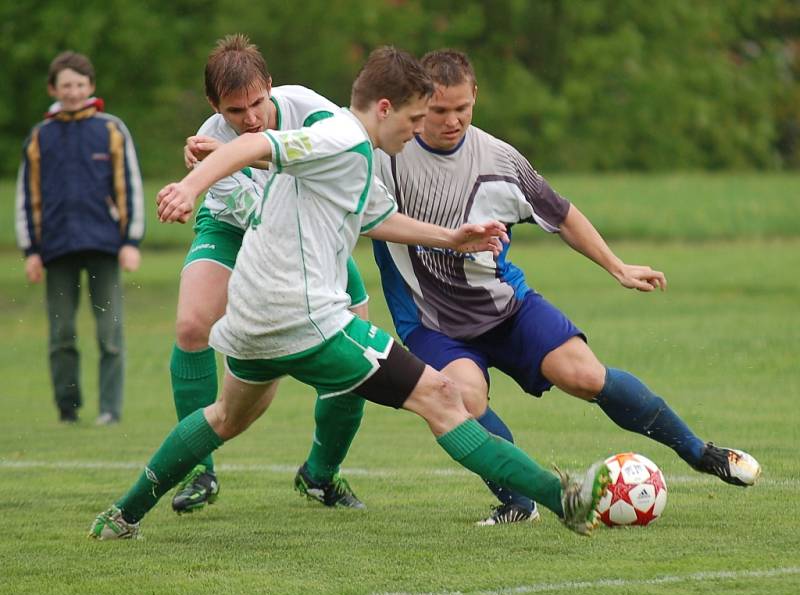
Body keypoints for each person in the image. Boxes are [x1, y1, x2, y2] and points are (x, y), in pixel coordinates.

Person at [89, 46, 612, 541]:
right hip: (302, 315)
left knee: (225, 416)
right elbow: (253, 143)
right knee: (443, 398)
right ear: (384, 108)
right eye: (412, 120)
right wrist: (190, 187)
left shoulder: (352, 151)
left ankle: (123, 514)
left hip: (253, 315)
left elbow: (377, 217)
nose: (416, 132)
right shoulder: (339, 136)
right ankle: (559, 496)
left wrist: (451, 237)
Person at [367, 49, 761, 521]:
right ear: (417, 104)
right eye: (438, 111)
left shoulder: (499, 159)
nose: (452, 121)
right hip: (431, 325)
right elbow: (363, 217)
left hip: (506, 307)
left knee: (586, 375)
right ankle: (518, 501)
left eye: (462, 110)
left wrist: (617, 266)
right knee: (461, 399)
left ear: (475, 98)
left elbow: (562, 215)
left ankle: (700, 452)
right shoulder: (385, 158)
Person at [168, 34, 369, 514]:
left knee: (361, 350)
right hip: (236, 228)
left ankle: (321, 474)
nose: (252, 118)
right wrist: (204, 173)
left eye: (258, 102)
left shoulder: (310, 109)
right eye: (236, 112)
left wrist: (235, 153)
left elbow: (332, 174)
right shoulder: (208, 139)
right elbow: (256, 213)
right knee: (192, 325)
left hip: (311, 234)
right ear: (215, 106)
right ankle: (199, 471)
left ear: (271, 86)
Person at [15, 51, 144, 425]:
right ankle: (67, 409)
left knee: (109, 334)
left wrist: (130, 241)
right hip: (55, 249)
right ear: (53, 89)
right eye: (66, 85)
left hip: (105, 245)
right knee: (63, 334)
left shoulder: (111, 129)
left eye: (80, 84)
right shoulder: (40, 136)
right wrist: (31, 251)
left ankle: (110, 411)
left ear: (91, 87)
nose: (73, 92)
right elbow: (27, 195)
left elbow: (129, 185)